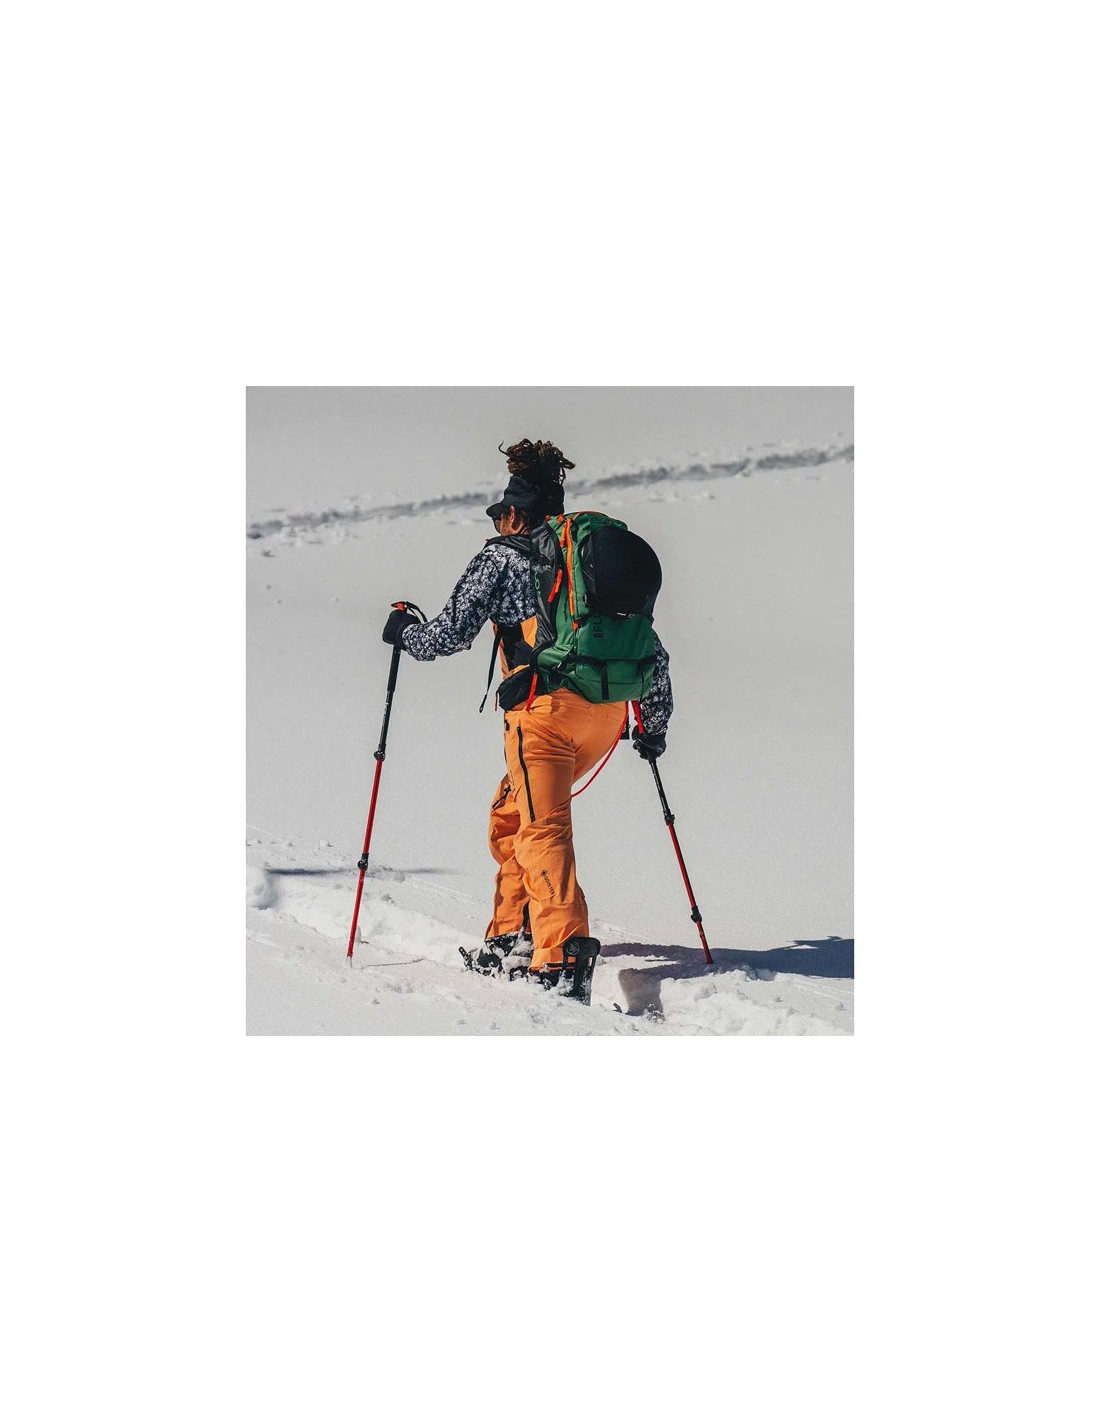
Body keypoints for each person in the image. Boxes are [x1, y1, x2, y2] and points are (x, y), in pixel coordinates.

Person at [381, 439, 672, 1005]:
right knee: (512, 813)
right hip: (608, 712)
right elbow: (650, 648)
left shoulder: (502, 557)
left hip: (544, 716)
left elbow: (447, 637)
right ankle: (511, 934)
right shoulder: (591, 559)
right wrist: (653, 724)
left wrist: (403, 633)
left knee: (542, 830)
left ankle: (562, 956)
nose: (496, 523)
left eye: (500, 514)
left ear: (515, 515)